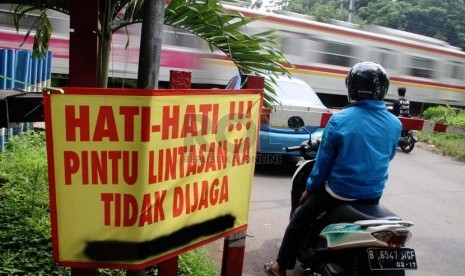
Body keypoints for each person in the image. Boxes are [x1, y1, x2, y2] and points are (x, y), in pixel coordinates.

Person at [263, 61, 402, 276]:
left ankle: (280, 267)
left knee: (299, 219)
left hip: (339, 193)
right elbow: (389, 155)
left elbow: (323, 163)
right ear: (382, 89)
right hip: (372, 195)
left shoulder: (340, 120)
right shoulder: (395, 123)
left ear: (352, 88)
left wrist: (309, 189)